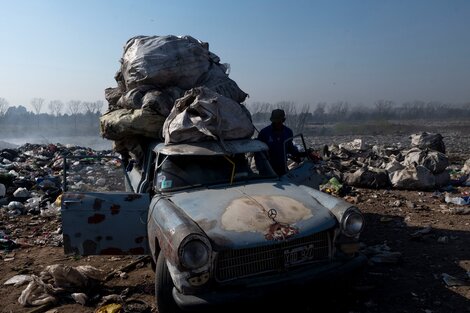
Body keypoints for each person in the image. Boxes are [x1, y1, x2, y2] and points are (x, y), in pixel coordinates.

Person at [257, 109, 302, 176]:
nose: (277, 124)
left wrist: (299, 155)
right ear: (272, 121)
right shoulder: (264, 133)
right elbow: (259, 153)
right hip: (268, 168)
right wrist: (260, 167)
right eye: (275, 122)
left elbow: (290, 147)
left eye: (279, 121)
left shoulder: (288, 132)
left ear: (283, 120)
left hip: (283, 167)